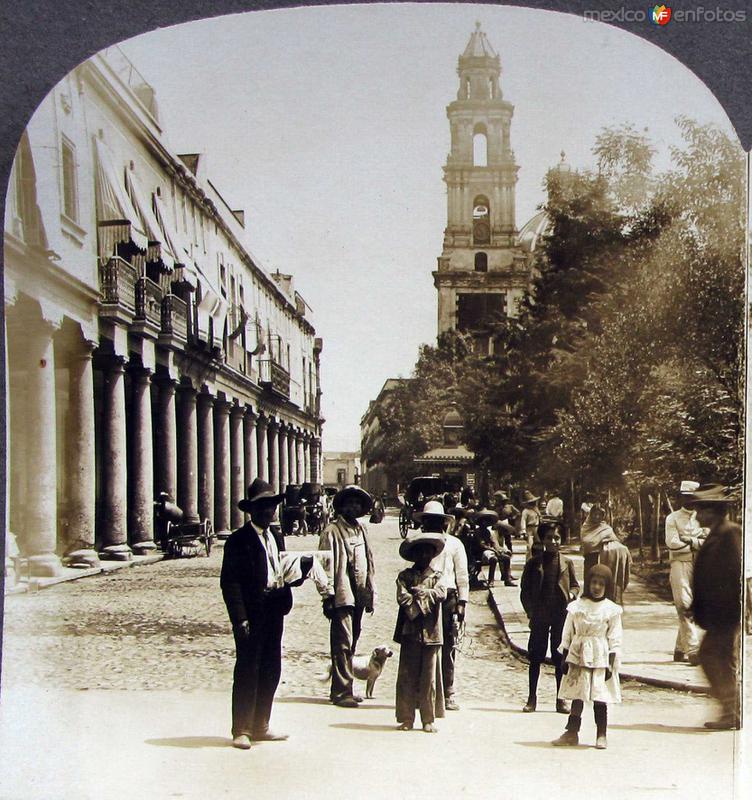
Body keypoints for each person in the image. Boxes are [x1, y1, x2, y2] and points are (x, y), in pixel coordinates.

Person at [220, 478, 313, 749]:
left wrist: (303, 571)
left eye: (271, 506)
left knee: (271, 668)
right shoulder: (239, 541)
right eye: (261, 507)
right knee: (249, 668)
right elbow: (230, 582)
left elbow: (280, 571)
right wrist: (240, 618)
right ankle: (242, 728)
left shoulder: (276, 536)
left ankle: (261, 725)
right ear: (251, 510)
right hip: (252, 612)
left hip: (275, 609)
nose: (267, 512)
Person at [687, 484, 742, 730]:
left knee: (712, 656)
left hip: (726, 613)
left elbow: (734, 576)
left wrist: (729, 611)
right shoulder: (717, 533)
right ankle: (731, 711)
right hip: (719, 614)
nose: (697, 515)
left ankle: (731, 711)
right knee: (719, 658)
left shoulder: (730, 533)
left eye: (700, 509)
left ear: (713, 510)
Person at [552, 564, 623, 750]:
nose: (597, 587)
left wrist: (611, 663)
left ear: (607, 586)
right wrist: (564, 656)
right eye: (593, 582)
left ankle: (601, 733)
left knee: (599, 695)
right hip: (578, 654)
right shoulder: (577, 607)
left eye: (601, 584)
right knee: (578, 693)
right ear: (588, 583)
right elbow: (567, 632)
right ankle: (571, 732)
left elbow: (615, 637)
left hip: (600, 655)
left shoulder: (611, 610)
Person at [318, 484, 376, 708]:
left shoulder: (362, 530)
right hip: (342, 593)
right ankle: (342, 692)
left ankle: (344, 686)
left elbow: (369, 562)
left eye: (357, 503)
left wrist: (370, 592)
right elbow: (324, 566)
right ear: (341, 507)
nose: (353, 507)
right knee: (342, 643)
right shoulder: (332, 531)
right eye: (349, 503)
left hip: (359, 594)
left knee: (352, 642)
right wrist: (327, 596)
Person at [520, 520, 579, 714]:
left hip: (559, 616)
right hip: (540, 616)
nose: (553, 541)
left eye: (556, 538)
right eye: (549, 538)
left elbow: (575, 586)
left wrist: (572, 594)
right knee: (535, 657)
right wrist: (530, 611)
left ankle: (560, 699)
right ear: (542, 539)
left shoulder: (566, 563)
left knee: (559, 658)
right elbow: (525, 591)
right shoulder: (534, 563)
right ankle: (532, 698)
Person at [416, 500, 470, 712]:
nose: (433, 525)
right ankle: (423, 693)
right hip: (424, 598)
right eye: (429, 521)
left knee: (448, 646)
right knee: (423, 645)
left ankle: (448, 691)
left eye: (437, 522)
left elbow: (462, 576)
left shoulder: (455, 544)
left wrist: (462, 603)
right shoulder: (418, 543)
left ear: (444, 523)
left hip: (447, 598)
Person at [394, 530, 447, 732]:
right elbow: (402, 598)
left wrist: (423, 593)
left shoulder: (438, 577)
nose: (424, 556)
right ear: (414, 555)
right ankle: (406, 717)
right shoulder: (404, 577)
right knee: (408, 676)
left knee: (429, 678)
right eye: (420, 553)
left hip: (432, 633)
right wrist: (417, 608)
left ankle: (428, 718)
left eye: (428, 553)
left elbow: (440, 593)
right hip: (410, 631)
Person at [664, 479, 706, 663]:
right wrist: (697, 541)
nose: (688, 500)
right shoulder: (672, 518)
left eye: (691, 497)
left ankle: (679, 649)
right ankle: (693, 649)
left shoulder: (701, 517)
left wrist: (689, 540)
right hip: (679, 564)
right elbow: (672, 544)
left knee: (692, 606)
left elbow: (709, 540)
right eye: (684, 496)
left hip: (699, 565)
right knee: (683, 604)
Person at [580, 504, 631, 605]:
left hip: (605, 559)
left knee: (605, 583)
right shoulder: (586, 527)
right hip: (591, 558)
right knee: (590, 583)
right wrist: (601, 541)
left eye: (600, 515)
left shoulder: (606, 528)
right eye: (595, 514)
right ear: (591, 514)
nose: (597, 517)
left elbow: (615, 541)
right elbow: (587, 541)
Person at [473, 508, 515, 587]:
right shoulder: (477, 532)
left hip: (490, 551)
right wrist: (493, 550)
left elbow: (494, 543)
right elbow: (482, 545)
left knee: (506, 557)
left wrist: (501, 550)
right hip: (481, 552)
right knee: (493, 559)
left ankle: (507, 579)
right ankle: (491, 580)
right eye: (485, 521)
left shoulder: (488, 532)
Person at [518, 490, 541, 560]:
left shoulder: (536, 510)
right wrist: (523, 530)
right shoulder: (526, 511)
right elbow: (523, 521)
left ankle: (538, 559)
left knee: (539, 544)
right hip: (529, 528)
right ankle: (529, 560)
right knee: (530, 546)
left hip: (536, 528)